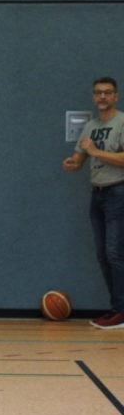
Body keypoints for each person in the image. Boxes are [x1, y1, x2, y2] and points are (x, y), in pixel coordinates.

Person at [63, 76, 124, 329]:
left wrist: (96, 151)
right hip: (97, 195)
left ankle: (121, 310)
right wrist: (73, 163)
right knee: (102, 255)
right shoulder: (90, 127)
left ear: (115, 96)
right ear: (93, 97)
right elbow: (78, 159)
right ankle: (116, 308)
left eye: (107, 93)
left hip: (118, 193)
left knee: (114, 253)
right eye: (98, 93)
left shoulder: (122, 122)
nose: (102, 97)